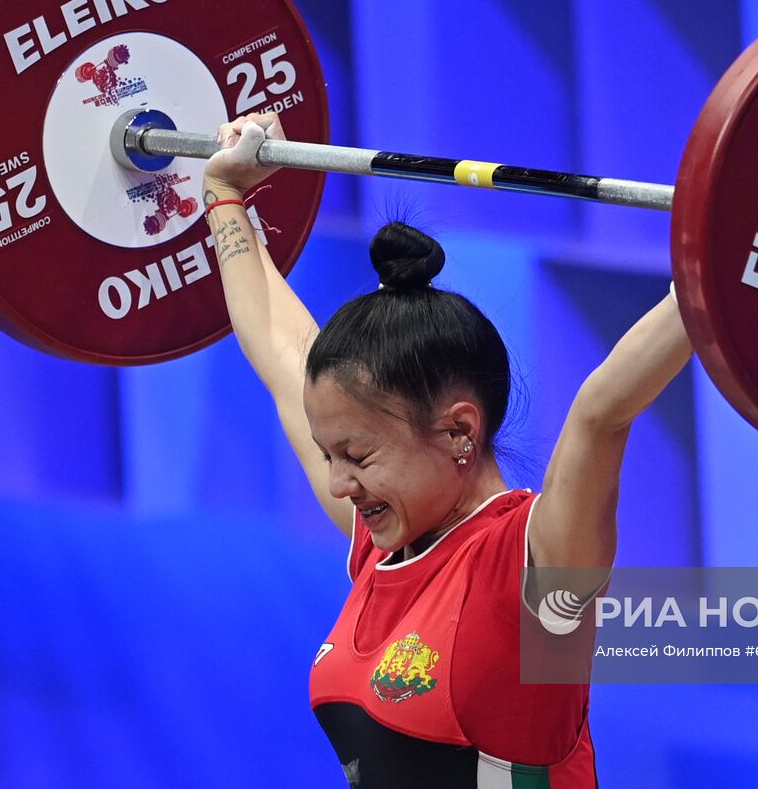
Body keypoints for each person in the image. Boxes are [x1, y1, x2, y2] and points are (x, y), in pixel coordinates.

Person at [203, 114, 692, 788]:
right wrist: (224, 196)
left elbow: (601, 412)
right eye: (330, 453)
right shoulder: (379, 543)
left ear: (459, 430)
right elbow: (278, 351)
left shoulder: (533, 566)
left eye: (358, 455)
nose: (338, 481)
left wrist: (709, 272)